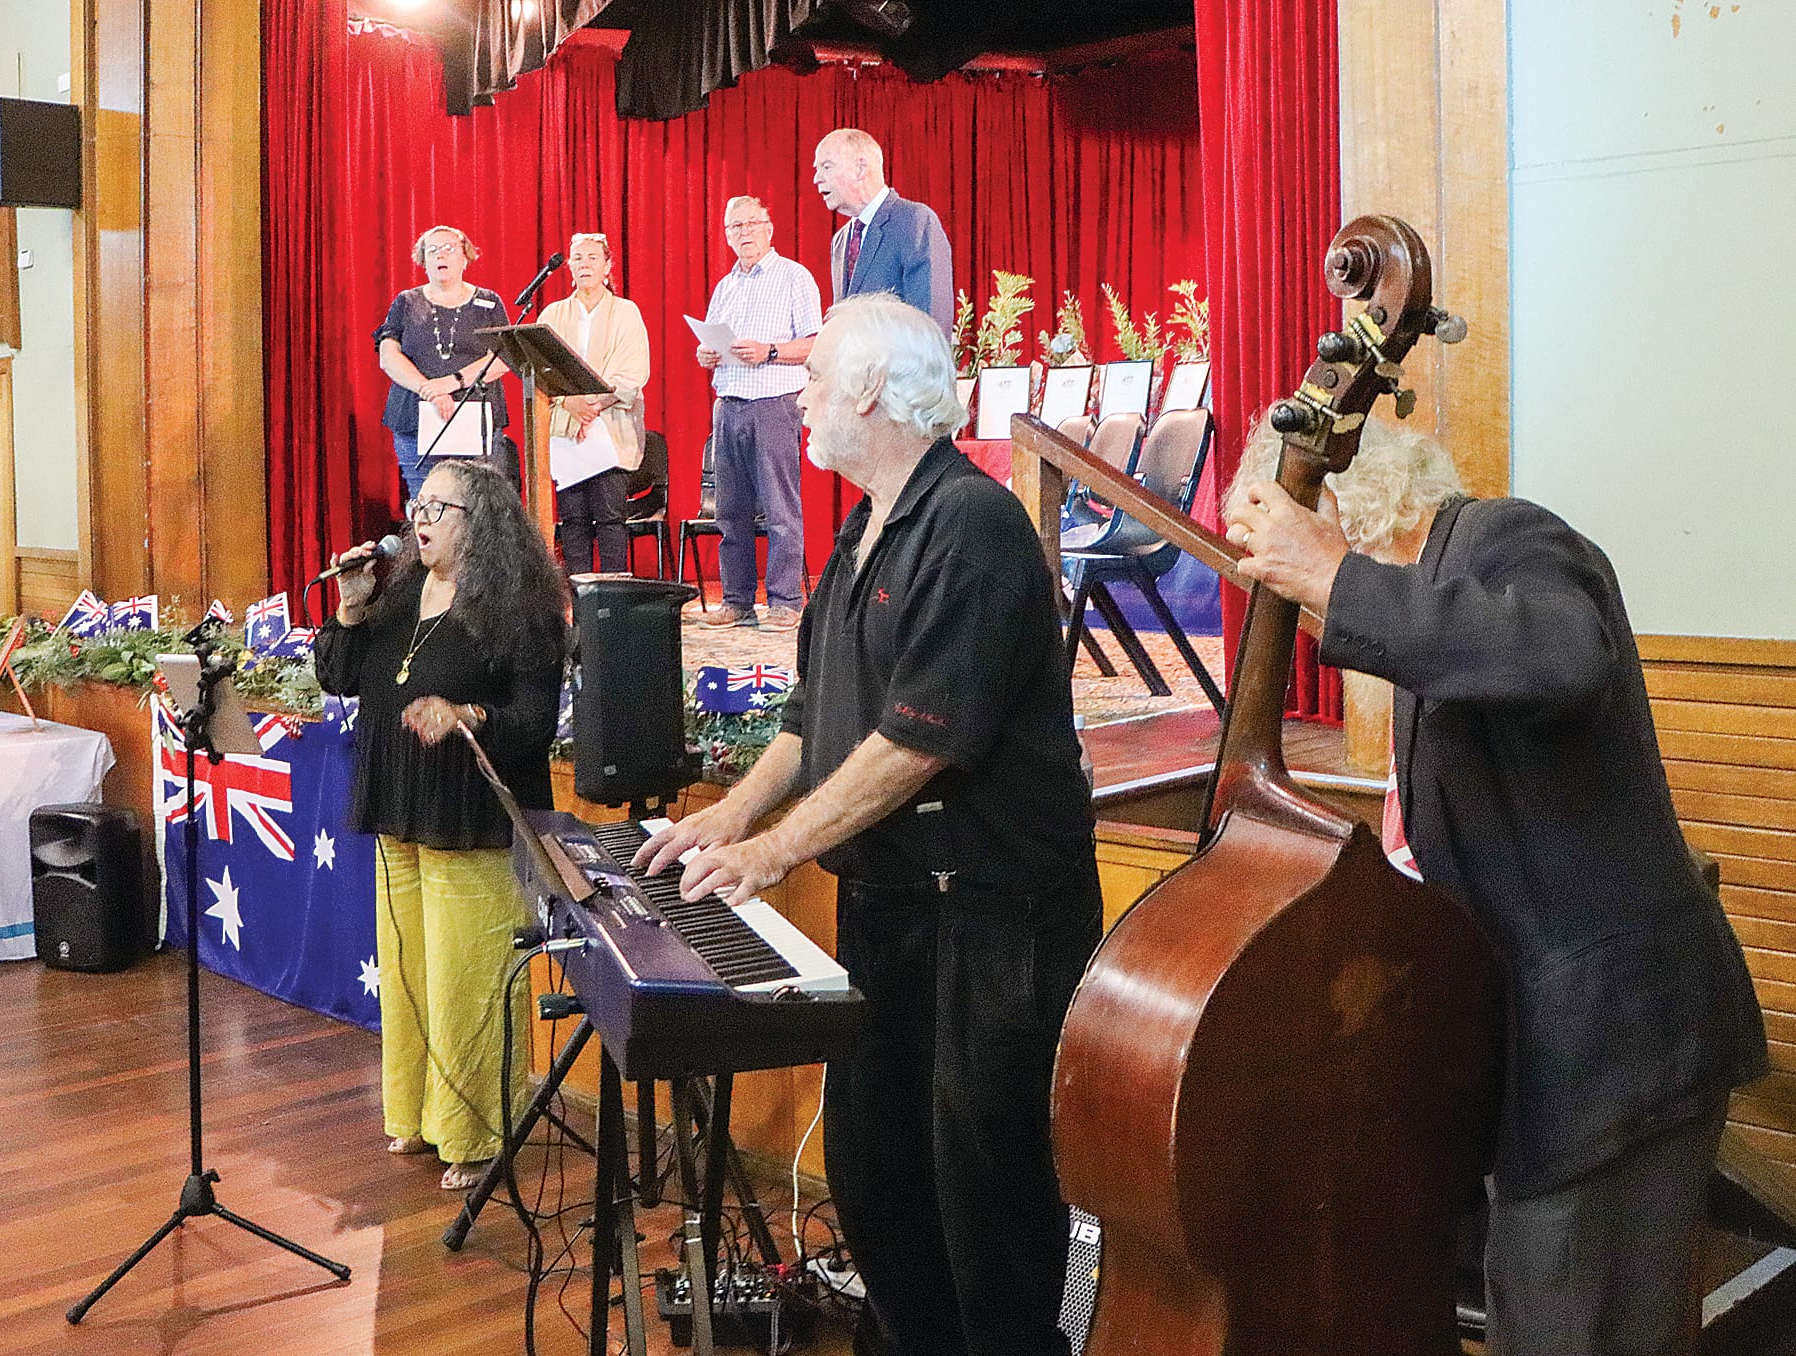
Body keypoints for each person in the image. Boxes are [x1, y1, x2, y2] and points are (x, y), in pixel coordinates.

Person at [1221, 417, 1767, 1356]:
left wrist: (1336, 578)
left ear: (1351, 510)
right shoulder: (1428, 610)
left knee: (1564, 1329)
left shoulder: (1505, 536)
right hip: (1583, 1042)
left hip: (1610, 1041)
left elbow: (1563, 658)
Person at [638, 295, 1099, 1356]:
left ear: (869, 390)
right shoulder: (863, 528)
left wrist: (769, 853)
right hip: (895, 907)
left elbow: (918, 741)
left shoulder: (971, 524)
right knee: (877, 1173)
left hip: (991, 919)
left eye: (813, 380)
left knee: (984, 1190)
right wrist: (728, 817)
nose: (798, 397)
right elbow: (814, 717)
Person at [314, 458, 567, 1191]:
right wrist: (350, 608)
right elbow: (338, 676)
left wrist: (468, 715)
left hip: (472, 818)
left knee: (467, 981)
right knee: (409, 977)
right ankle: (418, 1115)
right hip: (398, 806)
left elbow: (534, 722)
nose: (419, 520)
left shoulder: (522, 611)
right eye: (417, 505)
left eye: (437, 508)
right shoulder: (397, 596)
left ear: (479, 523)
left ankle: (476, 1133)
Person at [694, 195, 822, 631]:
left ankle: (785, 601)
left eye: (751, 224)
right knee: (730, 513)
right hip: (728, 405)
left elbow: (815, 344)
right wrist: (706, 354)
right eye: (736, 227)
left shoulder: (794, 277)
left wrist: (769, 351)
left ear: (769, 229)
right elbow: (712, 341)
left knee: (780, 509)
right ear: (727, 236)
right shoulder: (725, 286)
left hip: (773, 405)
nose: (744, 232)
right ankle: (737, 601)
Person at [539, 232, 651, 575]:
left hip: (611, 427)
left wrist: (593, 405)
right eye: (578, 258)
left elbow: (633, 371)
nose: (584, 264)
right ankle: (579, 594)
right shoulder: (553, 313)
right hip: (565, 429)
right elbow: (540, 367)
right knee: (573, 519)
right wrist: (569, 402)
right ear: (569, 267)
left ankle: (613, 594)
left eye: (592, 258)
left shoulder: (626, 312)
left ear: (607, 265)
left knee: (610, 516)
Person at [374, 224, 512, 499]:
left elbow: (503, 358)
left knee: (478, 506)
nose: (441, 255)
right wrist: (430, 391)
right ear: (423, 261)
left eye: (449, 248)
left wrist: (451, 383)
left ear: (465, 257)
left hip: (475, 421)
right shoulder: (406, 302)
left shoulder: (489, 302)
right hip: (416, 420)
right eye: (432, 250)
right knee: (427, 501)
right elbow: (388, 355)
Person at [814, 129, 953, 334]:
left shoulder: (914, 221)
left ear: (860, 169)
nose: (817, 178)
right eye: (817, 169)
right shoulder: (840, 240)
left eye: (826, 167)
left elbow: (932, 325)